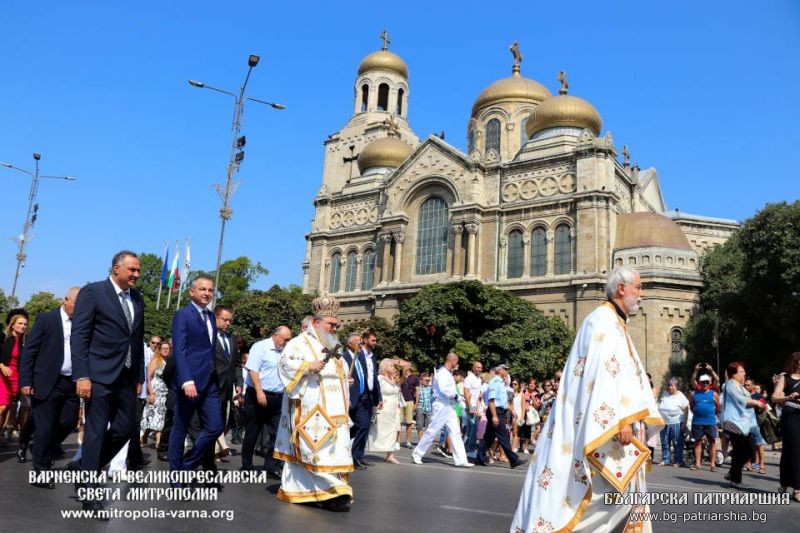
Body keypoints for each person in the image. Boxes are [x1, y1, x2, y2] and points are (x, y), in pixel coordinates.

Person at [510, 267, 663, 533]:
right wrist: (621, 423)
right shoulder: (602, 321)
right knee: (606, 499)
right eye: (638, 287)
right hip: (606, 432)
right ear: (621, 288)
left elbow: (620, 375)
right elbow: (602, 375)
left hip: (613, 430)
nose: (642, 294)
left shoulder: (614, 322)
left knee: (625, 498)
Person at [70, 251, 146, 515]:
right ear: (116, 268)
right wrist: (82, 375)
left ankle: (83, 468)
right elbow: (79, 336)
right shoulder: (93, 292)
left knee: (126, 429)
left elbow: (136, 339)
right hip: (98, 376)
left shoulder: (137, 298)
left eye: (138, 270)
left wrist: (139, 376)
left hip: (126, 378)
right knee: (95, 431)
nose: (137, 274)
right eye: (132, 270)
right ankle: (91, 493)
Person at [273, 296, 352, 510]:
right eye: (331, 324)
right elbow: (284, 365)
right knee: (312, 450)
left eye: (336, 324)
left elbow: (338, 370)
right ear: (316, 323)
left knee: (332, 451)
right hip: (310, 409)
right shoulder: (298, 343)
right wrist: (307, 366)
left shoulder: (333, 344)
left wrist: (345, 378)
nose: (335, 328)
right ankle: (333, 492)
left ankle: (311, 492)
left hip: (335, 411)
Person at [19, 289, 81, 486]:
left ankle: (41, 447)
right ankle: (41, 471)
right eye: (76, 303)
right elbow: (30, 351)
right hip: (46, 381)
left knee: (69, 422)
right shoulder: (46, 320)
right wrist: (26, 381)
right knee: (45, 427)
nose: (79, 308)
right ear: (65, 300)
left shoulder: (83, 323)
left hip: (71, 382)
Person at [168, 277, 224, 479]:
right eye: (202, 289)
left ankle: (188, 464)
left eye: (210, 290)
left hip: (209, 382)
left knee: (216, 426)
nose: (207, 293)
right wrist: (186, 380)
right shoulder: (183, 315)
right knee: (180, 429)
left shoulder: (210, 316)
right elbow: (180, 351)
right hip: (189, 382)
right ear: (191, 292)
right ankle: (176, 477)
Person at [189, 305, 242, 471]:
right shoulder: (205, 337)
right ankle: (199, 463)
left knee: (216, 428)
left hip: (224, 392)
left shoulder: (232, 338)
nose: (228, 323)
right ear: (215, 318)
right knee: (202, 429)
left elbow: (236, 365)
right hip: (206, 391)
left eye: (230, 321)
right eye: (224, 319)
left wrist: (238, 383)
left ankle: (205, 463)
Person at [241, 325, 291, 478]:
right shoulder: (260, 347)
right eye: (285, 339)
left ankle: (271, 466)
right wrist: (259, 391)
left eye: (289, 340)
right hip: (258, 395)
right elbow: (253, 370)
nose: (287, 342)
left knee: (277, 434)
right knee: (252, 433)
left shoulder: (286, 351)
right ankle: (247, 466)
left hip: (278, 398)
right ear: (275, 335)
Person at [411, 353, 472, 468]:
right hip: (442, 406)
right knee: (432, 431)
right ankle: (417, 454)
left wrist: (457, 399)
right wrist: (457, 397)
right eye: (456, 362)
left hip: (449, 406)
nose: (457, 364)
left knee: (456, 432)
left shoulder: (447, 373)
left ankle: (461, 460)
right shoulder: (443, 373)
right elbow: (445, 390)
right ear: (452, 361)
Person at [341, 331, 382, 469]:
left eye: (361, 342)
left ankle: (357, 456)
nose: (360, 345)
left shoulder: (359, 358)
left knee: (363, 425)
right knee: (361, 425)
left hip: (363, 397)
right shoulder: (344, 358)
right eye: (357, 342)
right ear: (349, 343)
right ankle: (349, 451)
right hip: (351, 398)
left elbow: (370, 377)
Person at [721, 362, 763, 488]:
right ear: (734, 374)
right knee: (741, 451)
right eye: (742, 372)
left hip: (745, 423)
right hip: (734, 422)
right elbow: (741, 401)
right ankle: (735, 480)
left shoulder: (740, 386)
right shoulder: (730, 385)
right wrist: (756, 402)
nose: (744, 374)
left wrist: (759, 404)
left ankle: (732, 472)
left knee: (749, 450)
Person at [476, 364, 525, 469]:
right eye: (505, 369)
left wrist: (512, 411)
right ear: (500, 370)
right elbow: (491, 400)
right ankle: (513, 459)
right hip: (496, 411)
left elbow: (502, 401)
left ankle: (480, 457)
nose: (507, 371)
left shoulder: (501, 383)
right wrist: (494, 416)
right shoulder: (495, 382)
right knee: (504, 435)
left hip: (500, 411)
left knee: (489, 437)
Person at [771, 352, 800, 502]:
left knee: (791, 452)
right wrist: (788, 397)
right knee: (794, 451)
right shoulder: (785, 377)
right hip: (791, 416)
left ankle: (784, 483)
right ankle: (797, 489)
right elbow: (774, 397)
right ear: (796, 362)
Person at [368, 358, 405, 463]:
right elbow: (374, 391)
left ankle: (390, 455)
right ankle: (358, 451)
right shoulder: (380, 378)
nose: (393, 368)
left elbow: (400, 384)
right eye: (391, 366)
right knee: (377, 432)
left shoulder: (393, 380)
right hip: (382, 409)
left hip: (392, 411)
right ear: (384, 368)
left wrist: (402, 368)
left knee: (392, 431)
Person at [1, 311, 28, 444]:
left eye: (25, 324)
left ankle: (2, 432)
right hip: (2, 377)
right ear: (13, 325)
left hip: (17, 378)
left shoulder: (25, 342)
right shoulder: (4, 338)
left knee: (8, 408)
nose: (23, 326)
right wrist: (1, 366)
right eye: (20, 323)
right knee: (2, 406)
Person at [141, 341, 170, 449]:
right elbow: (147, 377)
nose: (166, 350)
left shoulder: (169, 361)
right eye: (163, 348)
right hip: (156, 391)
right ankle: (157, 441)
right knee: (154, 417)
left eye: (168, 348)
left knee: (161, 417)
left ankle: (146, 436)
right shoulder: (156, 361)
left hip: (165, 392)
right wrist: (151, 393)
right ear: (160, 350)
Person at [689, 374, 719, 471]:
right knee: (697, 442)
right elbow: (691, 406)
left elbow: (718, 407)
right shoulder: (694, 394)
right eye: (703, 382)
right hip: (697, 421)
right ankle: (698, 463)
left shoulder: (713, 394)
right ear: (699, 383)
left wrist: (711, 414)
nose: (705, 384)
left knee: (712, 442)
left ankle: (713, 464)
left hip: (710, 422)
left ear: (709, 383)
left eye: (707, 382)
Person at [658, 377, 689, 467]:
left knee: (677, 442)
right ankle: (665, 459)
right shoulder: (664, 394)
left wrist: (684, 423)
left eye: (672, 386)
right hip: (663, 422)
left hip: (676, 422)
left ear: (676, 386)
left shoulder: (680, 395)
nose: (670, 387)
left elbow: (686, 409)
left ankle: (678, 461)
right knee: (664, 441)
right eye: (668, 385)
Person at [743, 377, 767, 474]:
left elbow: (764, 405)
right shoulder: (742, 395)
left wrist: (759, 404)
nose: (746, 386)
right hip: (744, 424)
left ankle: (762, 465)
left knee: (759, 444)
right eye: (745, 384)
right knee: (747, 445)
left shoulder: (758, 396)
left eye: (748, 385)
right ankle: (748, 463)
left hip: (755, 423)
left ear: (753, 386)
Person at [463, 360, 483, 455]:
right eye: (478, 367)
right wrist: (470, 407)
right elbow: (466, 393)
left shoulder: (479, 379)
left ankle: (466, 448)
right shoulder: (469, 378)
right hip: (471, 405)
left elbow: (478, 394)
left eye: (481, 368)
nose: (480, 369)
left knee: (471, 428)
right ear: (473, 368)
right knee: (474, 427)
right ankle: (470, 449)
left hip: (476, 406)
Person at [398, 366, 419, 448]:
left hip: (410, 400)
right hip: (400, 400)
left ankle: (408, 441)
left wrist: (416, 403)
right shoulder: (400, 376)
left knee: (409, 422)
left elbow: (417, 390)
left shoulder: (414, 377)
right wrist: (403, 376)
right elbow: (398, 384)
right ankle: (398, 441)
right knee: (398, 421)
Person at [415, 372, 433, 440]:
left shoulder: (431, 388)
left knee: (428, 426)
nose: (427, 382)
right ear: (421, 380)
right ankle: (420, 441)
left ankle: (426, 440)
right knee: (419, 425)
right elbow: (417, 398)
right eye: (426, 380)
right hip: (420, 408)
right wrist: (416, 405)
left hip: (428, 408)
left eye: (428, 380)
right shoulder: (418, 388)